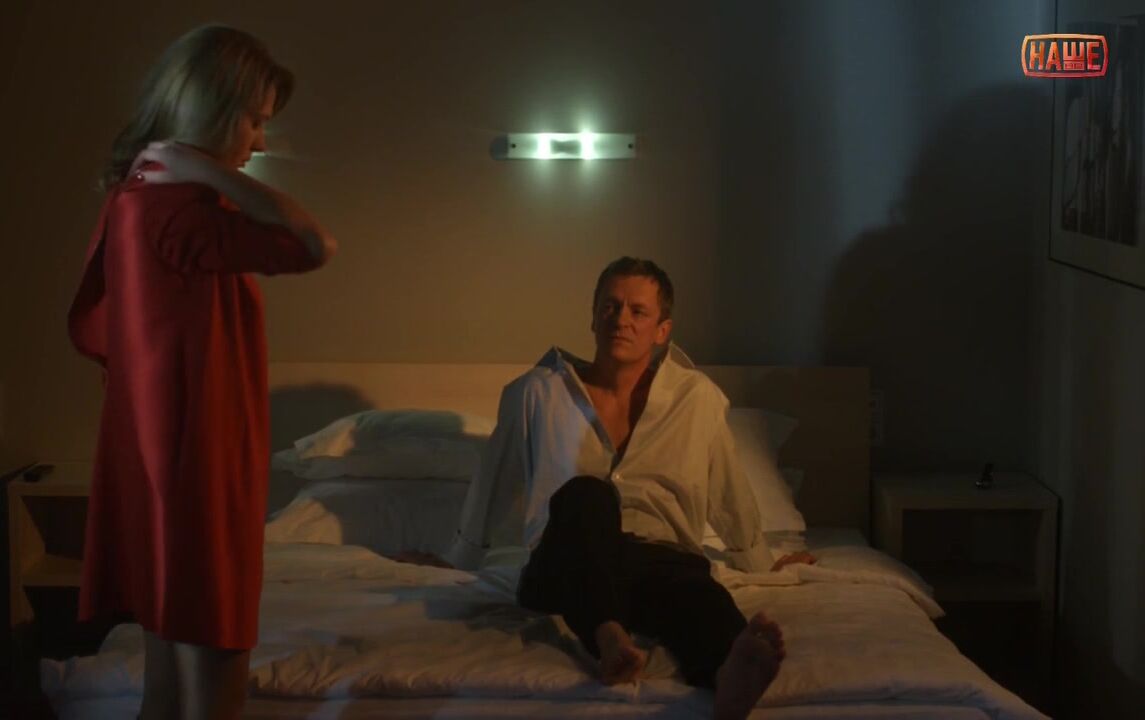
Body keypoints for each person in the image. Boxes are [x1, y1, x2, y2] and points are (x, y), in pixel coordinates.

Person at [68, 25, 336, 720]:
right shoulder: (179, 210)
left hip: (163, 468)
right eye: (254, 120)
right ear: (212, 109)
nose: (260, 141)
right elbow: (313, 243)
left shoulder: (134, 196)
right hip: (200, 470)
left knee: (166, 684)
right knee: (214, 681)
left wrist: (189, 167)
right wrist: (204, 168)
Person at [446, 257, 814, 720]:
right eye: (610, 306)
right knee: (587, 495)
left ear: (662, 330)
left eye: (638, 311)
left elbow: (727, 491)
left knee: (699, 594)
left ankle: (729, 677)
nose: (621, 319)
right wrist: (455, 560)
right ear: (593, 317)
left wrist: (762, 562)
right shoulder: (538, 391)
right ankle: (607, 633)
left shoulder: (695, 398)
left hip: (657, 560)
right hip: (566, 563)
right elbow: (495, 482)